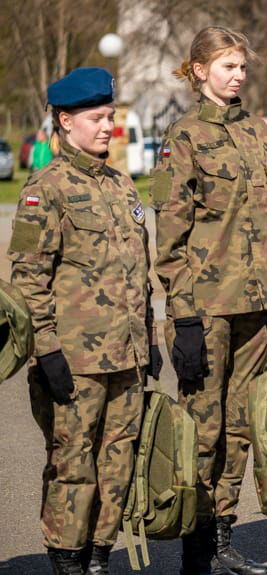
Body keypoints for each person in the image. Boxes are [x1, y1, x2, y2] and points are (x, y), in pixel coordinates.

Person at [151, 26, 267, 575]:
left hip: (259, 305)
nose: (238, 76)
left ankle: (222, 542)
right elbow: (171, 236)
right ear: (199, 70)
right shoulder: (183, 138)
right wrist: (182, 315)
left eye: (242, 68)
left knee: (241, 427)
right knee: (203, 429)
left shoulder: (258, 133)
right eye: (228, 67)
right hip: (207, 307)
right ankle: (195, 551)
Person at [8, 67, 160, 575]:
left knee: (118, 462)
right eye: (96, 118)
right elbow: (28, 278)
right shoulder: (44, 189)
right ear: (65, 120)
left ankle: (99, 554)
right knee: (74, 465)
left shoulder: (121, 185)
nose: (106, 127)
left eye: (110, 118)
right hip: (75, 358)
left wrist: (151, 338)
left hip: (128, 353)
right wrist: (46, 350)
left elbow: (139, 272)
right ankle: (67, 559)